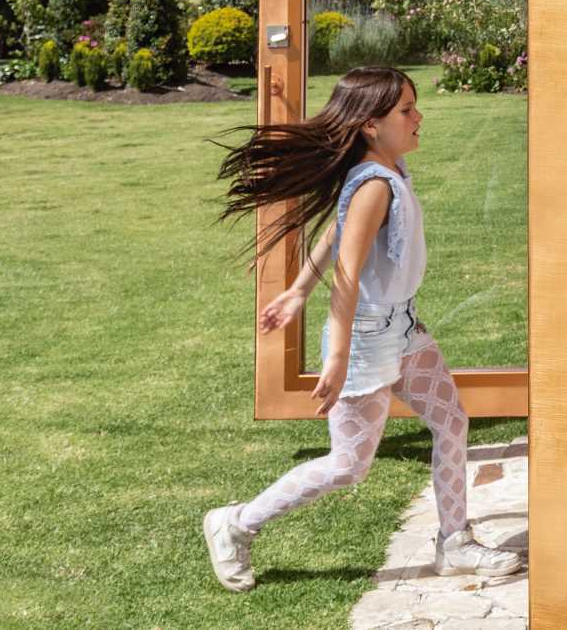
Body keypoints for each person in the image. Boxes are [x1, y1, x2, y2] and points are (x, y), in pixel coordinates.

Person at [201, 65, 523, 592]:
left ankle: (455, 543)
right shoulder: (375, 183)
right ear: (371, 125)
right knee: (349, 465)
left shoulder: (385, 172)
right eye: (406, 110)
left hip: (404, 330)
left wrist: (299, 288)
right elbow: (348, 275)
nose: (418, 117)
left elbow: (337, 232)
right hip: (369, 340)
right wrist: (336, 356)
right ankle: (234, 524)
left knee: (452, 423)